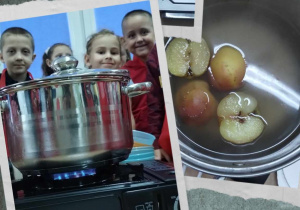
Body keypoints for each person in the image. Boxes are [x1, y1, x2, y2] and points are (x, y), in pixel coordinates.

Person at [121, 10, 172, 162]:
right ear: (124, 42)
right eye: (131, 36)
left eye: (144, 32)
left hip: (164, 138)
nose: (139, 39)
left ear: (155, 31)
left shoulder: (166, 63)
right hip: (141, 143)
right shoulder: (124, 74)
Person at [84, 29, 135, 130]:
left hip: (121, 133)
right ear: (87, 59)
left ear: (121, 60)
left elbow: (128, 115)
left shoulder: (125, 81)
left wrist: (131, 136)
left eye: (114, 52)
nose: (108, 56)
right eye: (101, 52)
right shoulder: (83, 84)